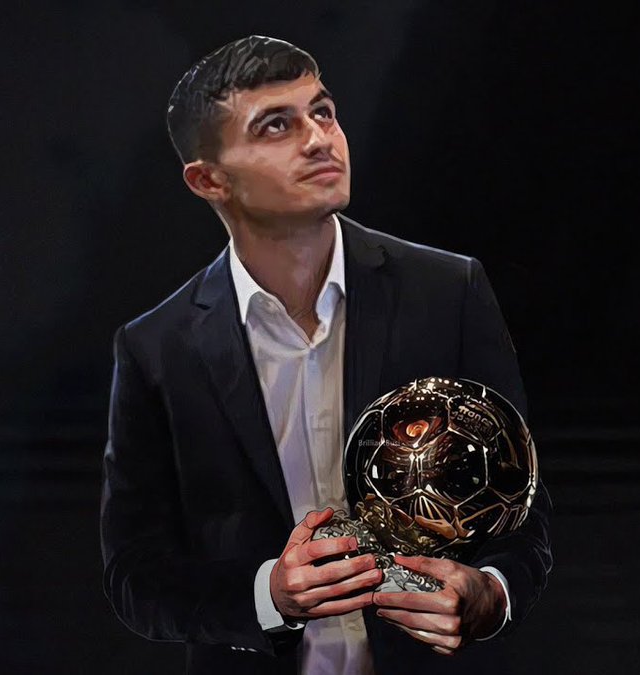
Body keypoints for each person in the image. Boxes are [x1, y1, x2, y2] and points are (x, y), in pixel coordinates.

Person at [100, 35, 553, 675]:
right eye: (276, 125)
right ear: (209, 180)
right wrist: (269, 595)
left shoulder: (449, 292)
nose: (318, 139)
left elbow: (521, 507)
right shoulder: (157, 346)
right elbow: (135, 575)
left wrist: (490, 595)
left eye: (323, 112)